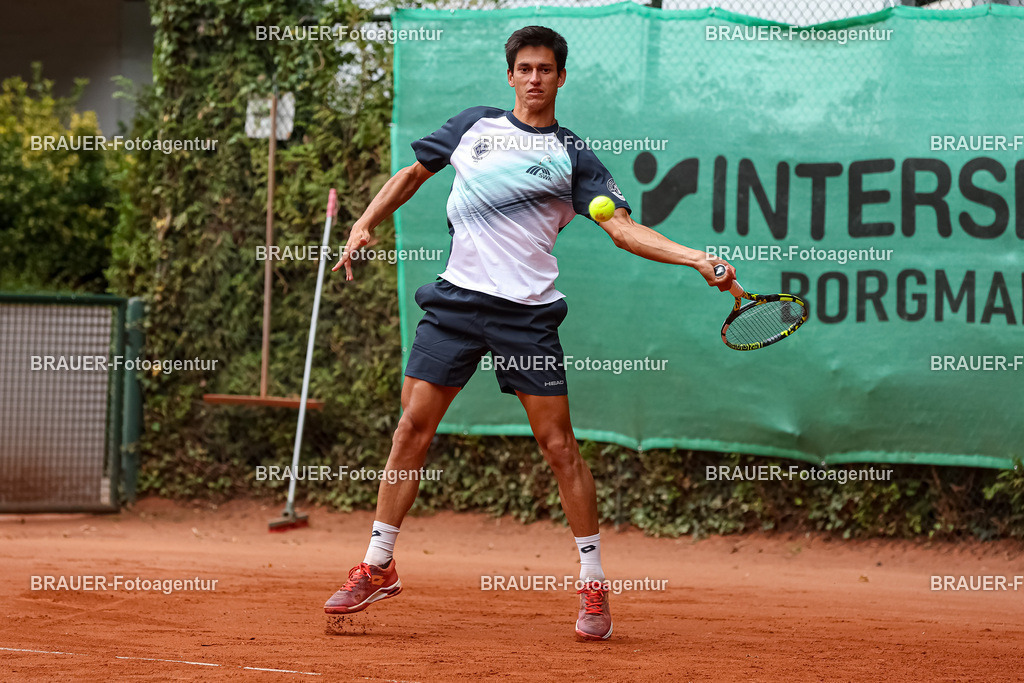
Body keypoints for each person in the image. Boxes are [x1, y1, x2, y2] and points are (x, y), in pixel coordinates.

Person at [325, 25, 735, 641]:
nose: (535, 78)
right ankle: (378, 565)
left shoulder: (574, 159)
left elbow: (622, 229)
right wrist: (363, 223)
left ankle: (593, 584)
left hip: (526, 314)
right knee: (412, 425)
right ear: (511, 75)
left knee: (559, 446)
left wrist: (696, 258)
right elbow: (412, 175)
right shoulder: (473, 127)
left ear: (560, 78)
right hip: (457, 302)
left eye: (546, 69)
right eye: (525, 68)